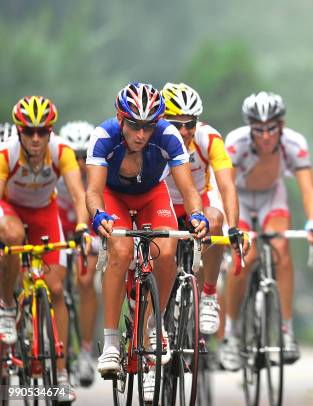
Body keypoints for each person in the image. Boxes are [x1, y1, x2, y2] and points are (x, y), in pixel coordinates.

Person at [87, 82, 207, 402]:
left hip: (152, 195)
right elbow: (93, 192)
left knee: (167, 250)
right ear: (120, 119)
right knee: (121, 250)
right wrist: (98, 215)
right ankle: (112, 342)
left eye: (148, 127)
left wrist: (196, 215)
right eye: (135, 126)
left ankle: (154, 324)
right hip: (114, 198)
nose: (141, 135)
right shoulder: (103, 137)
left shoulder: (168, 137)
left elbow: (189, 188)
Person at [220, 91, 313, 370]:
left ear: (282, 125)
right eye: (259, 129)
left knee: (280, 251)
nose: (265, 136)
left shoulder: (294, 143)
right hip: (239, 198)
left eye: (271, 129)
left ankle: (286, 332)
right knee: (245, 258)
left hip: (271, 197)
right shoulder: (236, 143)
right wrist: (231, 225)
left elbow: (308, 190)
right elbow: (225, 186)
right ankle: (232, 334)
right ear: (250, 127)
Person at [0, 96, 90, 402]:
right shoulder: (6, 154)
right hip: (10, 210)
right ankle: (9, 307)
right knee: (10, 234)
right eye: (29, 132)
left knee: (55, 289)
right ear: (19, 131)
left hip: (44, 216)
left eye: (42, 131)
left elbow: (78, 195)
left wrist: (80, 226)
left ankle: (62, 375)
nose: (36, 138)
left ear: (50, 131)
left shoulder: (61, 152)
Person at [162, 82, 245, 335]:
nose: (185, 131)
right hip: (164, 201)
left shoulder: (208, 138)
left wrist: (233, 227)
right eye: (177, 124)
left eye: (191, 123)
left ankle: (209, 295)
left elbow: (227, 186)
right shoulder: (154, 139)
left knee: (216, 223)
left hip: (201, 197)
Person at [57, 121, 100, 387]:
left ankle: (85, 350)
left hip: (87, 230)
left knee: (85, 281)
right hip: (61, 227)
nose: (82, 162)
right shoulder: (56, 171)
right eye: (75, 156)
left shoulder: (98, 174)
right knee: (55, 285)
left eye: (86, 155)